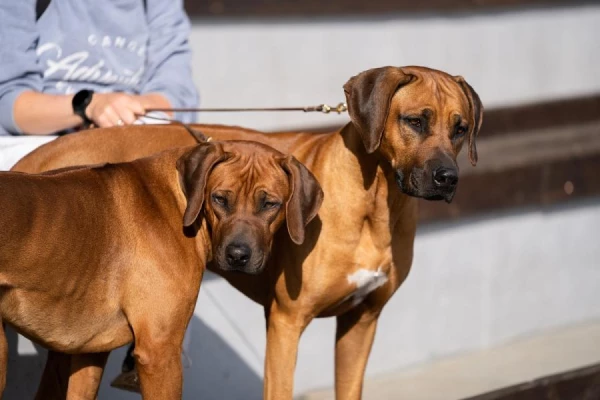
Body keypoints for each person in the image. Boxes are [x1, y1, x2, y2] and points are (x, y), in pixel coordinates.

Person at [0, 0, 199, 136]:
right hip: (36, 155)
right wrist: (90, 106)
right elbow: (8, 103)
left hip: (130, 145)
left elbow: (177, 93)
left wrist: (128, 109)